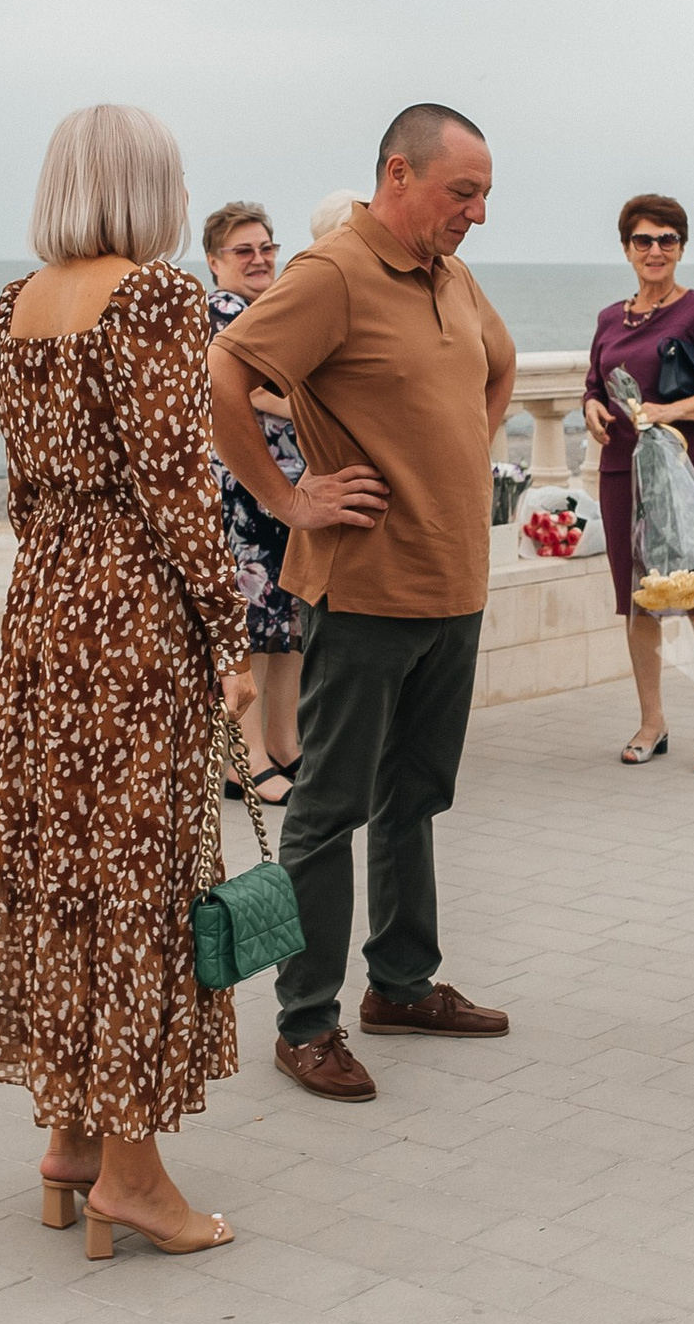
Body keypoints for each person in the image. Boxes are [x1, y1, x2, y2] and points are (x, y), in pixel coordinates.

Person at [0, 105, 257, 1258]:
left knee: (62, 865)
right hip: (132, 615)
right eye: (176, 176)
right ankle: (134, 1179)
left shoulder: (21, 299)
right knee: (139, 876)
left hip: (43, 607)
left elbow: (27, 482)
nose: (186, 193)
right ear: (142, 188)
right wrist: (230, 635)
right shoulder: (153, 297)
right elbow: (179, 486)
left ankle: (74, 1139)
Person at [210, 105, 518, 1104]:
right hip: (363, 588)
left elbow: (501, 362)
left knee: (415, 795)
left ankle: (401, 983)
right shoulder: (333, 272)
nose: (476, 211)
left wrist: (455, 460)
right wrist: (285, 495)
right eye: (460, 191)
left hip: (452, 582)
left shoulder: (450, 272)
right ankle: (306, 1023)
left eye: (482, 193)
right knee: (328, 807)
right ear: (398, 173)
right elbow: (224, 369)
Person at [580, 193, 694, 772]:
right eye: (644, 240)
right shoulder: (609, 318)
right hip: (624, 472)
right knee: (638, 604)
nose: (656, 250)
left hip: (691, 472)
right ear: (626, 248)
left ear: (681, 247)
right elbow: (595, 386)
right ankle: (652, 721)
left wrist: (668, 413)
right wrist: (593, 410)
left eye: (668, 239)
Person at [202, 201, 305, 804]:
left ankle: (284, 743)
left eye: (267, 247)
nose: (260, 258)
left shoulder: (265, 308)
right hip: (246, 491)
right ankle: (245, 761)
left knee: (285, 626)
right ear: (215, 261)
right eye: (244, 250)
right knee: (254, 632)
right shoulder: (222, 310)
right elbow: (251, 391)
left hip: (283, 490)